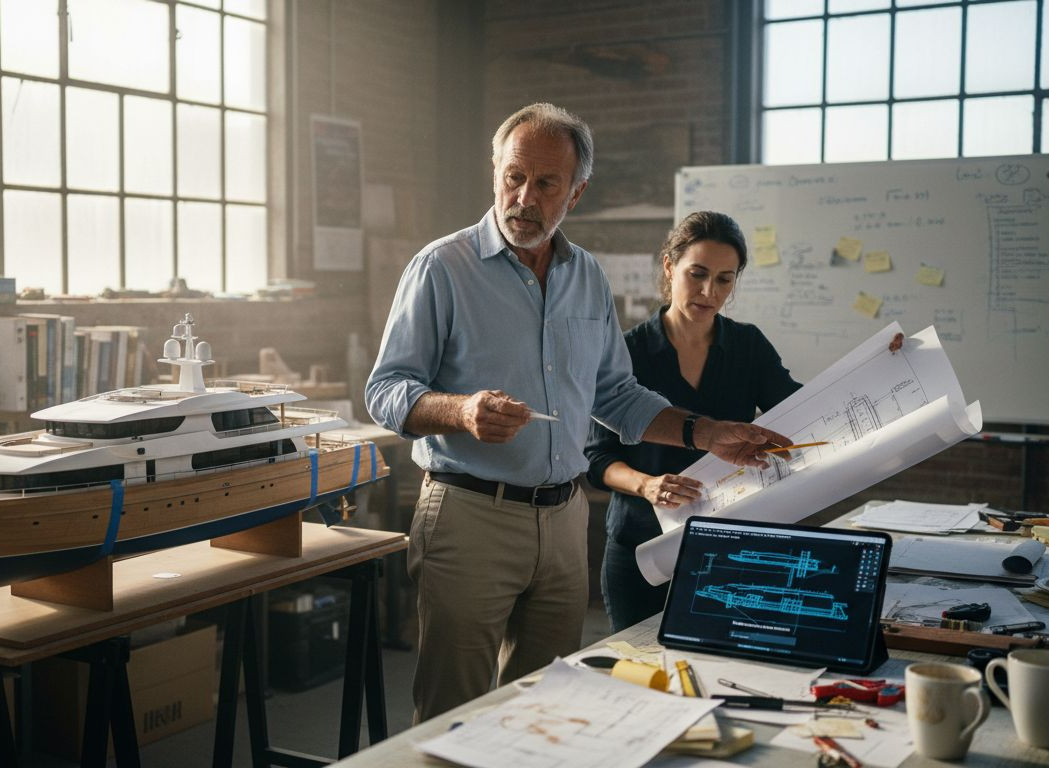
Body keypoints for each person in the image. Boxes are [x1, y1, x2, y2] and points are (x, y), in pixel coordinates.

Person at [365, 104, 791, 722]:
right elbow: (385, 389)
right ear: (495, 170)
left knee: (548, 712)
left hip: (564, 522)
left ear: (577, 191)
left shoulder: (585, 274)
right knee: (453, 713)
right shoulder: (442, 267)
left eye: (546, 184)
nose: (524, 197)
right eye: (514, 176)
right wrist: (461, 410)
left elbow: (617, 396)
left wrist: (708, 432)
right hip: (469, 514)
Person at [584, 211, 904, 633]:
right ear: (669, 266)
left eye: (724, 279)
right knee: (641, 668)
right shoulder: (628, 352)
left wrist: (882, 366)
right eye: (696, 274)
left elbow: (808, 410)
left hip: (730, 544)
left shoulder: (747, 346)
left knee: (722, 665)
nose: (708, 291)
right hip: (643, 545)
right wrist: (647, 485)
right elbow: (597, 458)